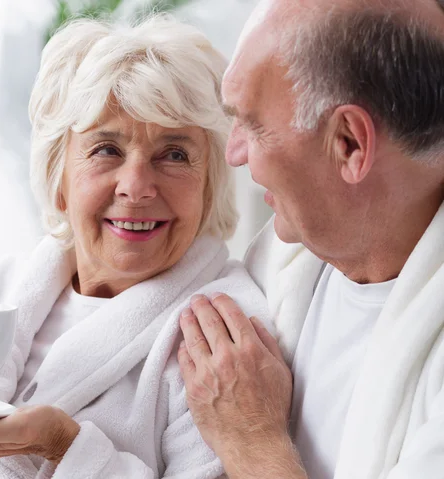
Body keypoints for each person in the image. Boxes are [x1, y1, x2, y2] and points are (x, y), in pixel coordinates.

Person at [0, 15, 273, 479]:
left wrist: (65, 448)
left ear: (209, 184)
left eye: (174, 154)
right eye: (106, 148)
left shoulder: (223, 334)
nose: (136, 185)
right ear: (59, 176)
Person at [177, 0, 444, 478]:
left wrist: (253, 444)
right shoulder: (277, 265)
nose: (233, 152)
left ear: (350, 145)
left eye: (252, 124)